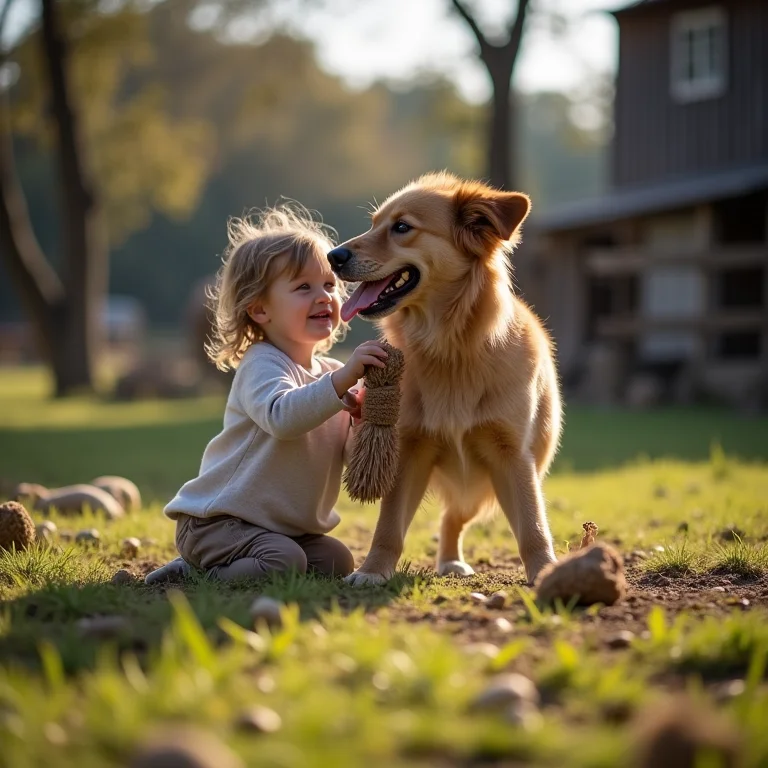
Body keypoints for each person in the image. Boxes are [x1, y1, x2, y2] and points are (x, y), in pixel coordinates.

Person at [144, 203, 387, 584]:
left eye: (329, 284)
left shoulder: (331, 376)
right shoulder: (262, 363)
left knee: (338, 560)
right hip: (220, 522)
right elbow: (282, 418)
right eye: (303, 287)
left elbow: (350, 460)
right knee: (283, 562)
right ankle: (196, 572)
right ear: (259, 310)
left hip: (284, 528)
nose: (324, 296)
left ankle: (232, 566)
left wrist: (363, 421)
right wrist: (343, 382)